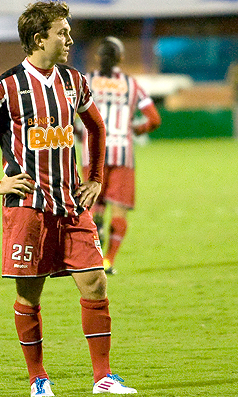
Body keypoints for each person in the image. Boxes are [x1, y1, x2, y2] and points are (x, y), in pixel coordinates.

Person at [0, 2, 137, 396]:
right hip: (28, 209)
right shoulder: (5, 85)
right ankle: (39, 380)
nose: (70, 39)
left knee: (95, 283)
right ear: (40, 39)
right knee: (28, 294)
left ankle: (102, 377)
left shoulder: (73, 80)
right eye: (62, 32)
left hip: (71, 204)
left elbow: (96, 127)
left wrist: (96, 177)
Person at [77, 36, 161, 275]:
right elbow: (154, 119)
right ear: (121, 58)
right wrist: (136, 129)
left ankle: (92, 254)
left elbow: (66, 110)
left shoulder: (86, 81)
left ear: (98, 57)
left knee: (93, 206)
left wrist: (78, 131)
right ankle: (109, 260)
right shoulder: (131, 84)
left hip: (93, 153)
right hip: (123, 152)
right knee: (120, 208)